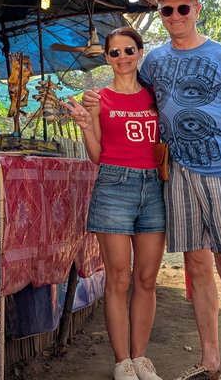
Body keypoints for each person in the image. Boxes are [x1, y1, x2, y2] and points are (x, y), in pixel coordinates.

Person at [83, 0, 221, 380]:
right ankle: (210, 361)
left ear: (198, 9)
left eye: (183, 9)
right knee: (196, 267)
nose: (176, 16)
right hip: (176, 175)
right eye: (167, 10)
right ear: (160, 15)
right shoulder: (154, 64)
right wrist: (90, 111)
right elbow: (124, 97)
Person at [62, 27, 166, 380]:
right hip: (113, 186)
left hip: (155, 189)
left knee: (147, 278)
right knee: (119, 278)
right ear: (107, 58)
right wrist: (83, 125)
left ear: (140, 52)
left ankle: (141, 359)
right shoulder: (97, 99)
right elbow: (95, 155)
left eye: (129, 50)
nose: (122, 57)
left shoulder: (156, 96)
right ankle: (122, 362)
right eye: (115, 52)